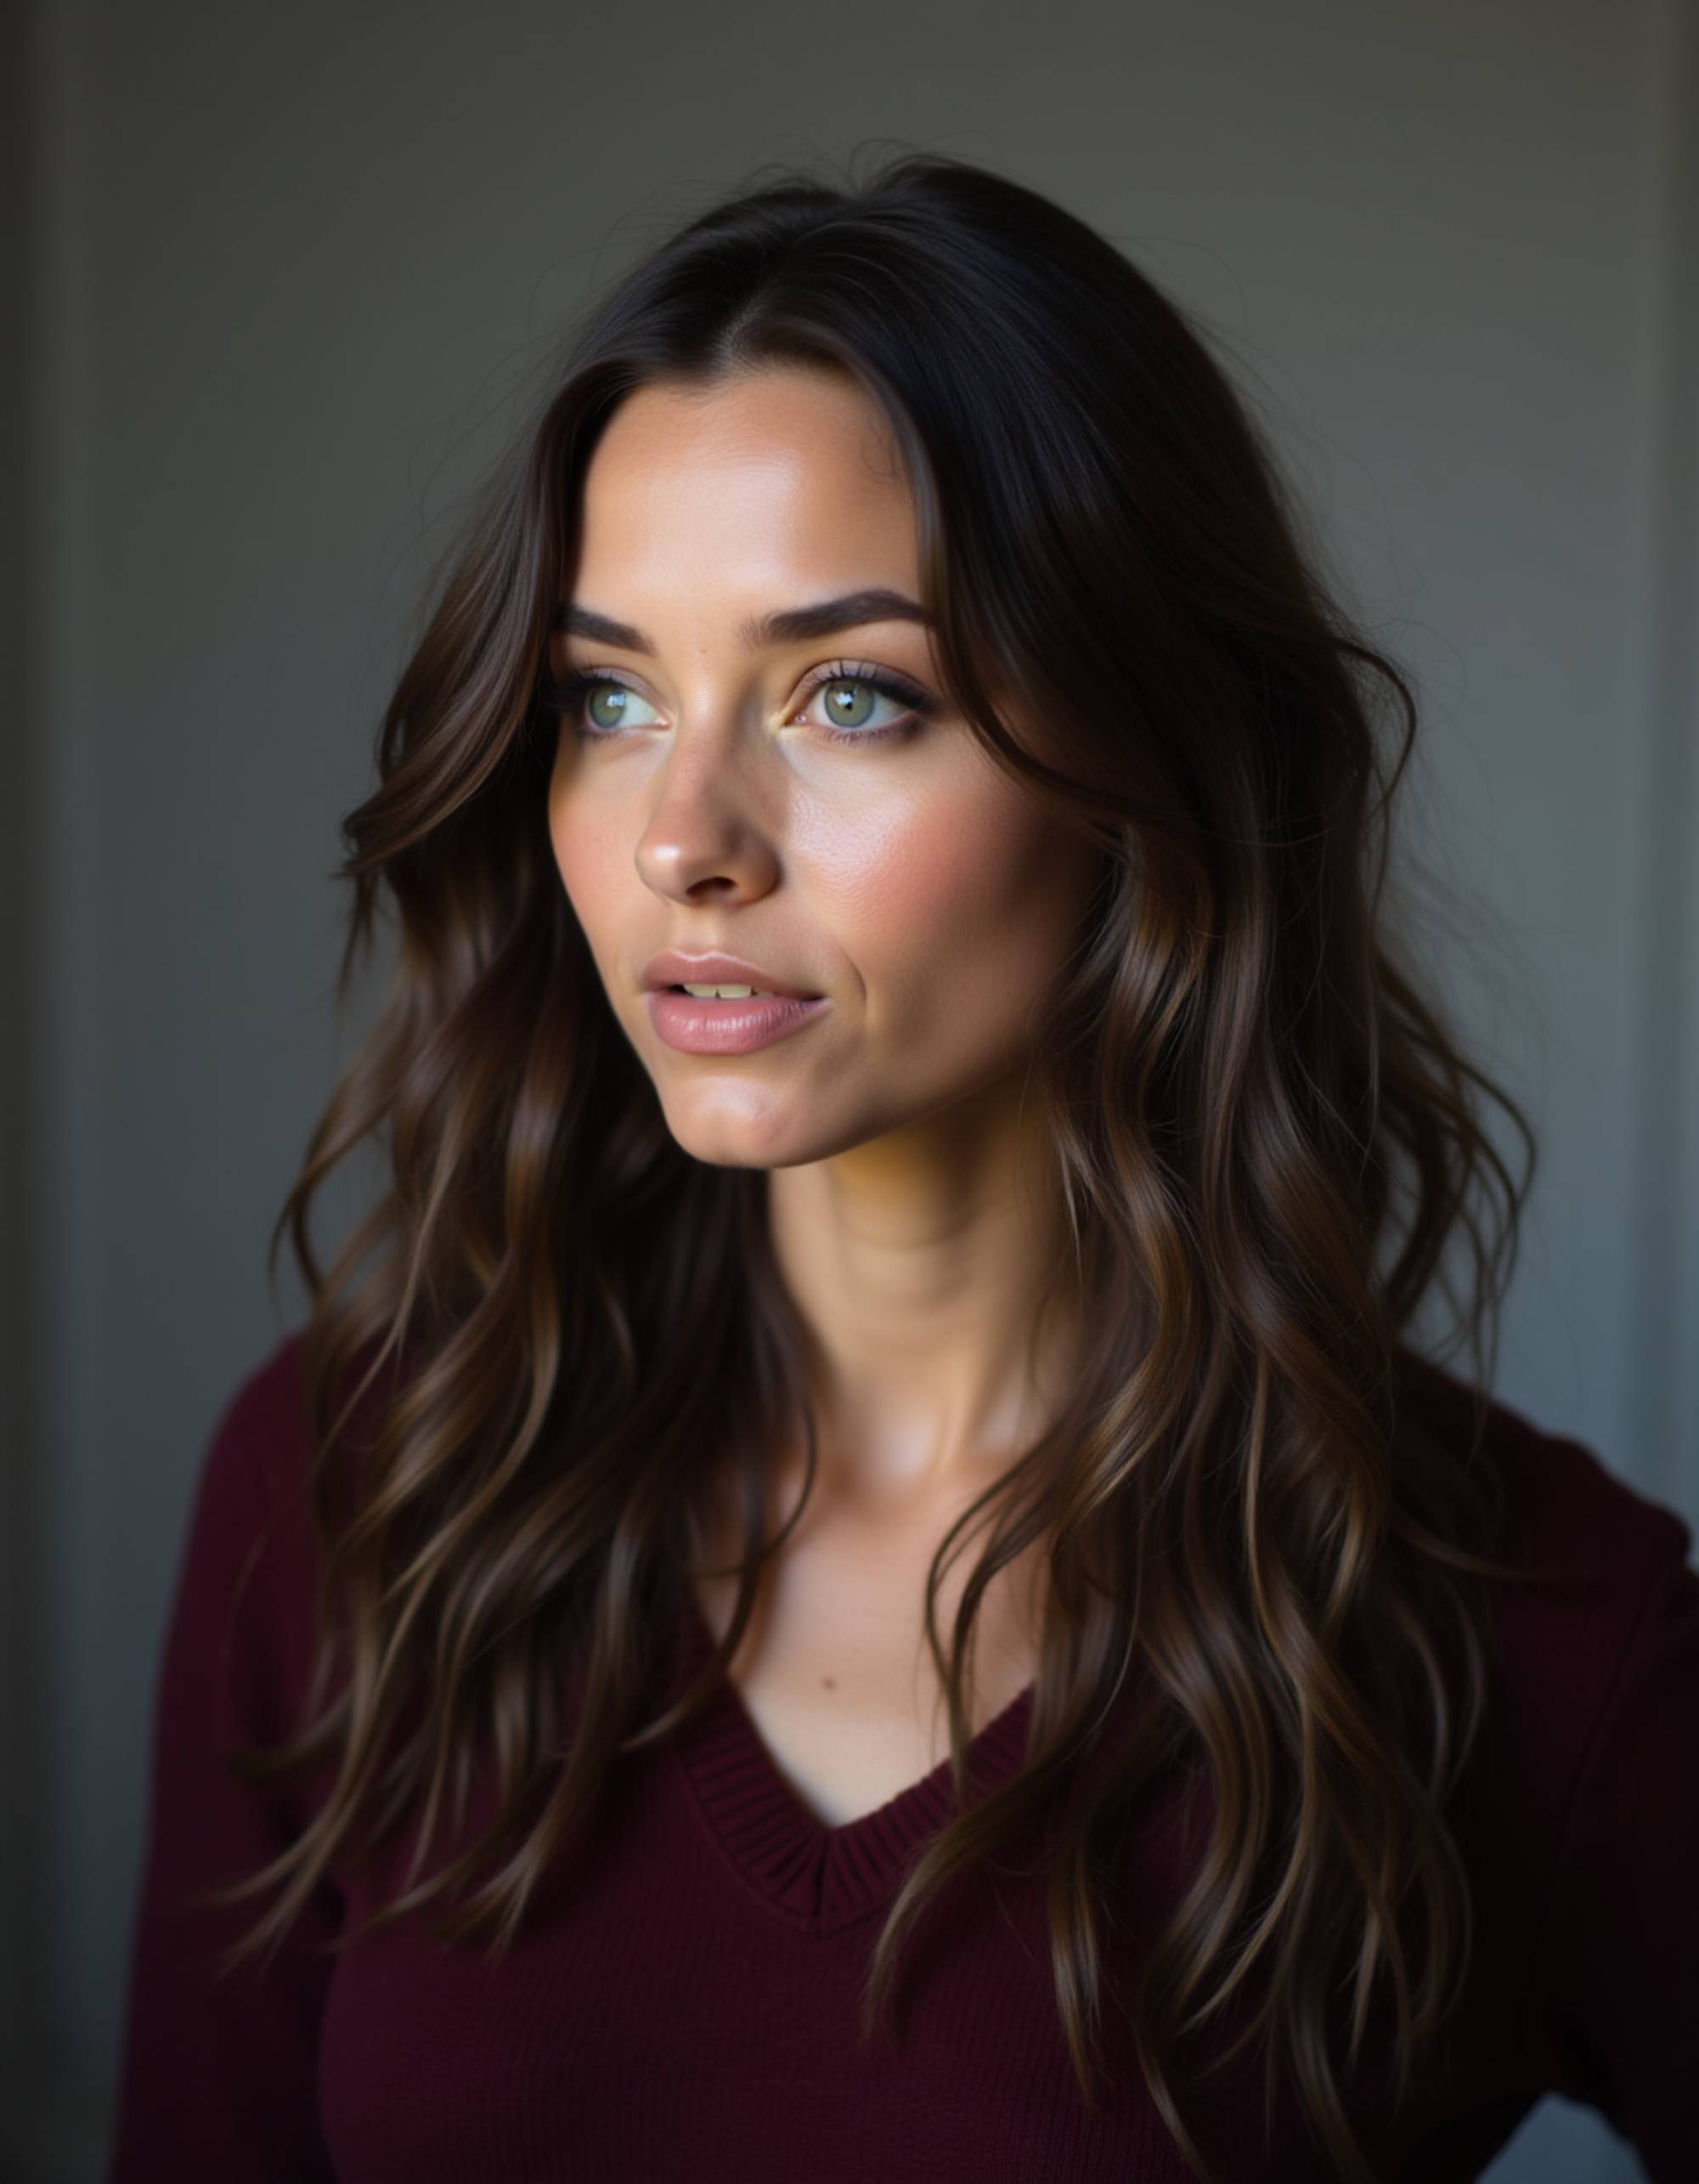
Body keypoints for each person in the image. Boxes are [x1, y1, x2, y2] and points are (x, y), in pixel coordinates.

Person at [107, 149, 1699, 2184]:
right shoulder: (351, 1487)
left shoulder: (1531, 1640)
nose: (683, 835)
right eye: (609, 696)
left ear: (1150, 767)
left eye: (849, 695)